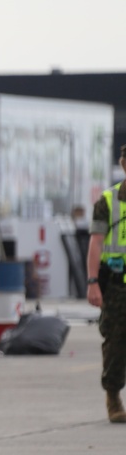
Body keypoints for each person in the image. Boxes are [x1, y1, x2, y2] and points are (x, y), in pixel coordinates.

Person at [85, 145, 126, 423]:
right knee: (116, 341)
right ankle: (113, 395)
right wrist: (92, 282)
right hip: (116, 285)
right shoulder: (108, 201)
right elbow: (96, 243)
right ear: (123, 164)